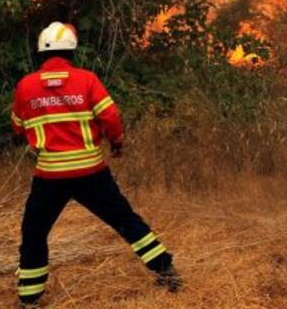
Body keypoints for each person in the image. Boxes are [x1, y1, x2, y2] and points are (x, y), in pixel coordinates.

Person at [11, 22, 181, 307]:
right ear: (72, 52)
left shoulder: (26, 86)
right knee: (124, 219)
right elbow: (110, 117)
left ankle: (29, 299)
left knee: (34, 233)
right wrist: (116, 142)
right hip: (91, 172)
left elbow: (17, 127)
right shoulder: (87, 79)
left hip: (50, 176)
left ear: (40, 52)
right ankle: (167, 272)